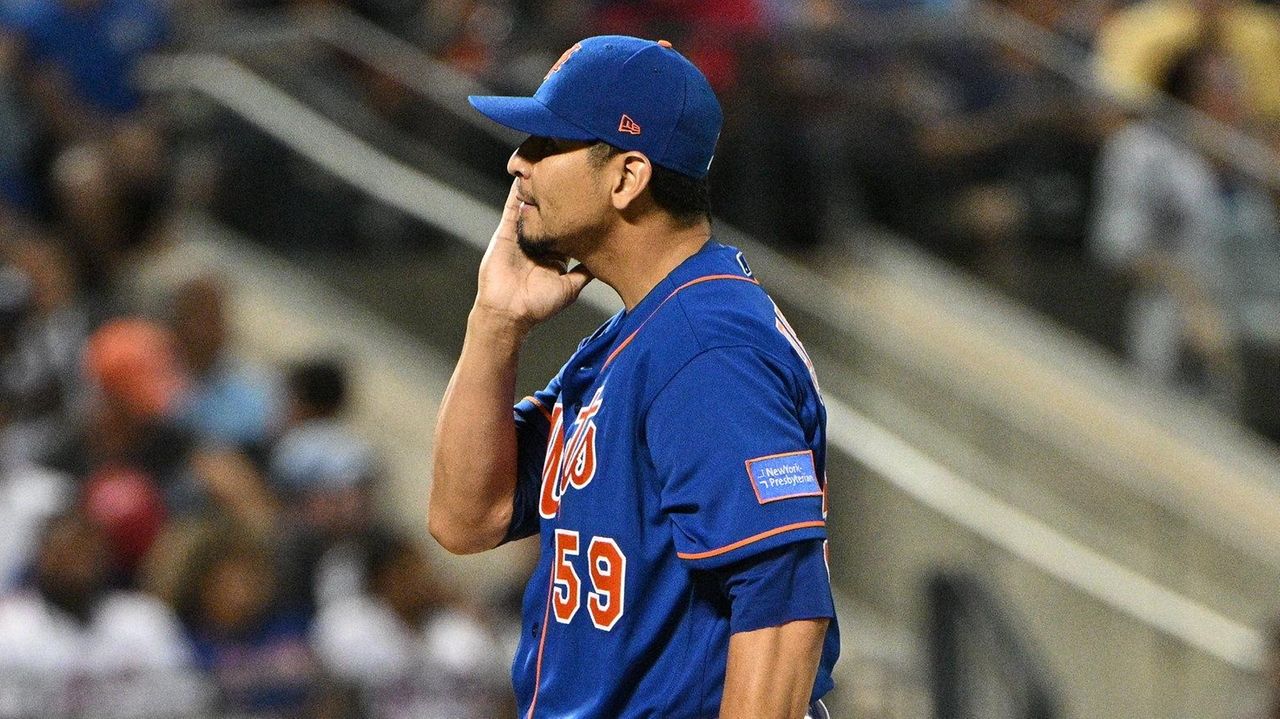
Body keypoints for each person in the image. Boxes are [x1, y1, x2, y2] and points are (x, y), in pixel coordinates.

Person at [430, 35, 838, 719]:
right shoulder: (640, 335)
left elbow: (783, 600)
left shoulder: (706, 344)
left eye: (545, 141)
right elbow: (468, 516)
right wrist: (495, 321)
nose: (516, 162)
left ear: (626, 176)